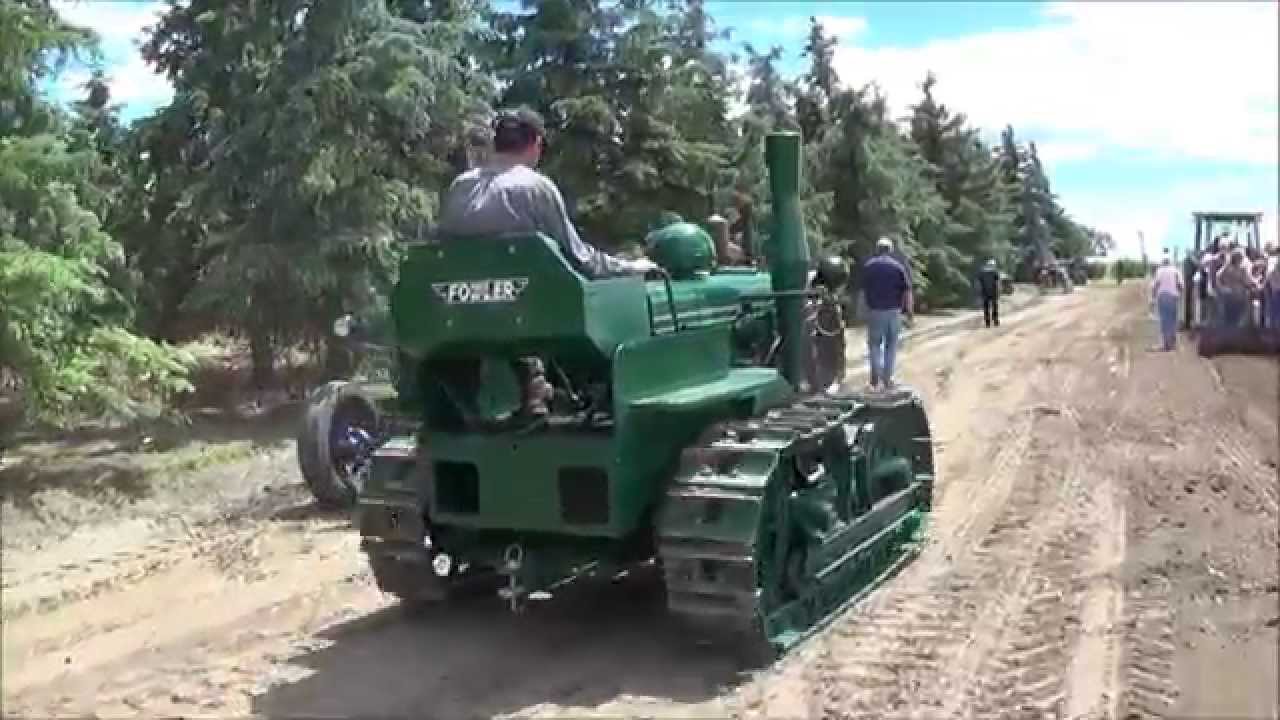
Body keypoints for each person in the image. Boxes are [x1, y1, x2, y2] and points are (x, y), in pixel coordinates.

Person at [435, 107, 657, 420]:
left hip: (462, 316)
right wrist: (630, 268)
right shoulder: (534, 187)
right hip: (532, 318)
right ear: (536, 143)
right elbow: (581, 259)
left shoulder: (460, 186)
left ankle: (530, 388)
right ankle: (605, 400)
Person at [861, 236, 913, 391]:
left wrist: (862, 310)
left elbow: (863, 291)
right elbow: (907, 291)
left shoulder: (869, 267)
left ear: (877, 250)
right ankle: (888, 379)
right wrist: (909, 312)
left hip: (875, 311)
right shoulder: (898, 267)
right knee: (891, 345)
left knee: (875, 345)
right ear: (890, 250)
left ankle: (875, 380)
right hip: (893, 311)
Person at [1215, 247, 1255, 329]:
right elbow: (1247, 280)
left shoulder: (1226, 267)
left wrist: (1222, 288)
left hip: (1229, 296)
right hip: (1238, 296)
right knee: (1237, 317)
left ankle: (1229, 335)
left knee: (1229, 317)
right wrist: (1255, 283)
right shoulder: (1242, 269)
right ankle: (1233, 336)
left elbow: (1218, 277)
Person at [1150, 253, 1183, 351]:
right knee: (1173, 320)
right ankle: (1173, 343)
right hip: (1173, 296)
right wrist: (1179, 294)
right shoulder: (1176, 271)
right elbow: (1181, 285)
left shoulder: (1159, 271)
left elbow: (1155, 285)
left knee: (1164, 321)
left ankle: (1165, 344)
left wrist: (1152, 297)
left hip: (1163, 296)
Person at [976, 259, 1001, 328]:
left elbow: (978, 283)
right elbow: (998, 283)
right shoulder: (995, 272)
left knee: (986, 308)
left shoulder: (981, 272)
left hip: (985, 292)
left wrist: (979, 292)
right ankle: (995, 321)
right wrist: (999, 291)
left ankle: (987, 322)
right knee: (994, 307)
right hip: (993, 292)